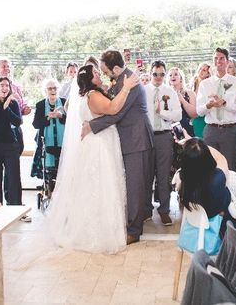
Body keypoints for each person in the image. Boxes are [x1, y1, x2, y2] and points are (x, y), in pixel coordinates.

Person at [48, 64, 139, 253]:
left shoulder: (89, 94)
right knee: (102, 185)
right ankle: (100, 234)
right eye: (96, 73)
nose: (99, 74)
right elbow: (113, 108)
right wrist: (126, 87)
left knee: (94, 185)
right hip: (100, 146)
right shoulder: (93, 95)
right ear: (89, 79)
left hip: (97, 142)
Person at [82, 50, 155, 245]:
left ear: (115, 68)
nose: (105, 75)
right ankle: (133, 220)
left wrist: (92, 126)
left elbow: (118, 113)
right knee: (131, 185)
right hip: (126, 139)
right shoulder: (119, 81)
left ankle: (134, 231)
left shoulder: (130, 81)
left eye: (106, 71)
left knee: (135, 187)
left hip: (136, 139)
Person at [145, 60, 182, 225]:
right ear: (150, 74)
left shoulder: (170, 92)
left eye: (161, 74)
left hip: (164, 136)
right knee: (146, 175)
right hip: (146, 137)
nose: (158, 77)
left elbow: (178, 115)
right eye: (155, 74)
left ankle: (164, 210)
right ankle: (146, 210)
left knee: (163, 175)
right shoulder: (143, 91)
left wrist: (162, 112)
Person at [196, 48, 236, 170]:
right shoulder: (205, 84)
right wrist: (209, 105)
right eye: (216, 58)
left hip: (229, 131)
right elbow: (199, 111)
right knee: (209, 167)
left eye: (222, 58)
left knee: (229, 167)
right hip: (210, 130)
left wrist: (224, 103)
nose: (218, 61)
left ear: (227, 61)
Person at [178, 138, 236, 237]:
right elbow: (221, 158)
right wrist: (201, 145)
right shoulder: (217, 178)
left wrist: (194, 147)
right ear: (208, 157)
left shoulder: (184, 176)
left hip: (197, 218)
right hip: (220, 224)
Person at [0, 77, 24, 206]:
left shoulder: (13, 103)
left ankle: (15, 207)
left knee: (14, 179)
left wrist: (7, 107)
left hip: (11, 145)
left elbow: (18, 122)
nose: (5, 88)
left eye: (7, 85)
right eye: (2, 85)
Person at [31, 78, 66, 188]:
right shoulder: (40, 105)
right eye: (50, 88)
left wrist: (60, 116)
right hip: (46, 143)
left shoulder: (64, 102)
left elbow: (72, 122)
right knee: (49, 172)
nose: (53, 91)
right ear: (45, 91)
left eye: (55, 88)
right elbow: (35, 124)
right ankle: (48, 187)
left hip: (63, 142)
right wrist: (48, 117)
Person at [169, 67, 197, 137]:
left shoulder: (190, 93)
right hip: (170, 129)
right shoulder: (165, 94)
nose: (172, 76)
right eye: (170, 75)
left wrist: (183, 100)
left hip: (187, 128)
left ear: (181, 78)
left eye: (176, 74)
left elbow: (194, 114)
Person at [191, 62, 212, 138]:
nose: (201, 71)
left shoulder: (209, 86)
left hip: (204, 117)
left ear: (208, 73)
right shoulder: (193, 84)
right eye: (200, 69)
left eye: (204, 70)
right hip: (194, 118)